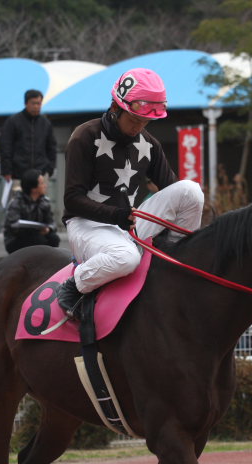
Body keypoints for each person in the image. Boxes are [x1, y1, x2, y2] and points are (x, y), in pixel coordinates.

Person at [56, 68, 204, 314]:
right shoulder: (85, 136)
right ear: (116, 108)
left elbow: (173, 191)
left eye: (146, 122)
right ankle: (75, 284)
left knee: (191, 190)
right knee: (127, 258)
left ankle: (179, 256)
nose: (140, 128)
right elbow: (72, 200)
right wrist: (115, 215)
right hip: (86, 225)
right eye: (135, 120)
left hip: (127, 223)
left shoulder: (149, 145)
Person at [0, 89, 57, 188]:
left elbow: (52, 147)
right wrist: (7, 170)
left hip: (41, 175)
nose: (36, 106)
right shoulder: (13, 122)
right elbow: (5, 147)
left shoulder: (46, 123)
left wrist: (49, 168)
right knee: (18, 202)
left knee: (41, 203)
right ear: (26, 103)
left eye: (38, 103)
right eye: (33, 103)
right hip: (17, 175)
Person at [3, 168, 60, 254]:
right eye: (42, 183)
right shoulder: (17, 202)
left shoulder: (44, 202)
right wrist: (33, 230)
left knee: (54, 239)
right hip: (17, 239)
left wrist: (48, 229)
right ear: (34, 188)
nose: (45, 185)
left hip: (37, 235)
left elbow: (52, 223)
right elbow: (13, 225)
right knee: (38, 239)